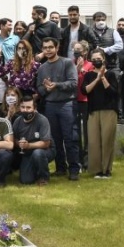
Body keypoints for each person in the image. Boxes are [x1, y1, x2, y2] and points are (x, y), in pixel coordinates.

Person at [36, 37, 80, 180]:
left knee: (70, 138)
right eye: (45, 48)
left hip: (66, 104)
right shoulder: (42, 68)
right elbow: (39, 89)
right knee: (55, 139)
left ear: (57, 47)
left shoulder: (67, 63)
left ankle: (74, 169)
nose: (48, 50)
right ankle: (61, 167)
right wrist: (47, 89)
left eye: (50, 47)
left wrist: (56, 85)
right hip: (50, 105)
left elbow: (73, 83)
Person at [83, 48, 119, 178]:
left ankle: (106, 170)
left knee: (107, 140)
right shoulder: (88, 75)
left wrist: (103, 77)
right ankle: (97, 170)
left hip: (109, 110)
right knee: (94, 141)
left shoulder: (111, 74)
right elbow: (85, 91)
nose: (96, 61)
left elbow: (114, 93)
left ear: (103, 59)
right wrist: (97, 79)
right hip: (93, 111)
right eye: (93, 59)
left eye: (98, 58)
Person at [12, 95, 55, 185]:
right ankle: (34, 170)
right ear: (19, 107)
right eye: (23, 107)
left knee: (38, 153)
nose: (25, 110)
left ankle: (43, 177)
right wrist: (19, 143)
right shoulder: (17, 121)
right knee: (25, 180)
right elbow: (14, 139)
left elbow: (46, 143)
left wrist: (28, 145)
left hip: (46, 150)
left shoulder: (42, 120)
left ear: (34, 108)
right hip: (27, 153)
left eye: (28, 107)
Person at [72, 40, 93, 171]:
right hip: (73, 101)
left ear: (85, 51)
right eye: (74, 49)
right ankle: (78, 160)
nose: (76, 52)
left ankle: (87, 160)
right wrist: (76, 70)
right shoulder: (70, 64)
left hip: (85, 102)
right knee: (76, 133)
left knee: (87, 132)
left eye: (79, 49)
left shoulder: (90, 65)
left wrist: (83, 71)